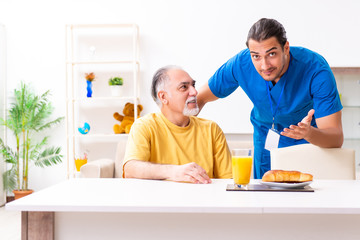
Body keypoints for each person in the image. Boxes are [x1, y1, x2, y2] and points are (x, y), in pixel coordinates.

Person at [197, 18, 343, 179]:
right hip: (267, 138)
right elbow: (199, 98)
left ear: (286, 48)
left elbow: (335, 138)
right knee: (265, 196)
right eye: (256, 56)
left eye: (271, 54)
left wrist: (308, 133)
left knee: (304, 194)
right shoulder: (241, 63)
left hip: (307, 138)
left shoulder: (315, 69)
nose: (264, 65)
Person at [122, 66, 232, 184]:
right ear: (163, 97)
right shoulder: (145, 126)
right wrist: (173, 171)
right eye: (184, 87)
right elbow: (130, 169)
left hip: (203, 201)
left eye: (193, 85)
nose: (194, 92)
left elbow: (229, 181)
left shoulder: (211, 129)